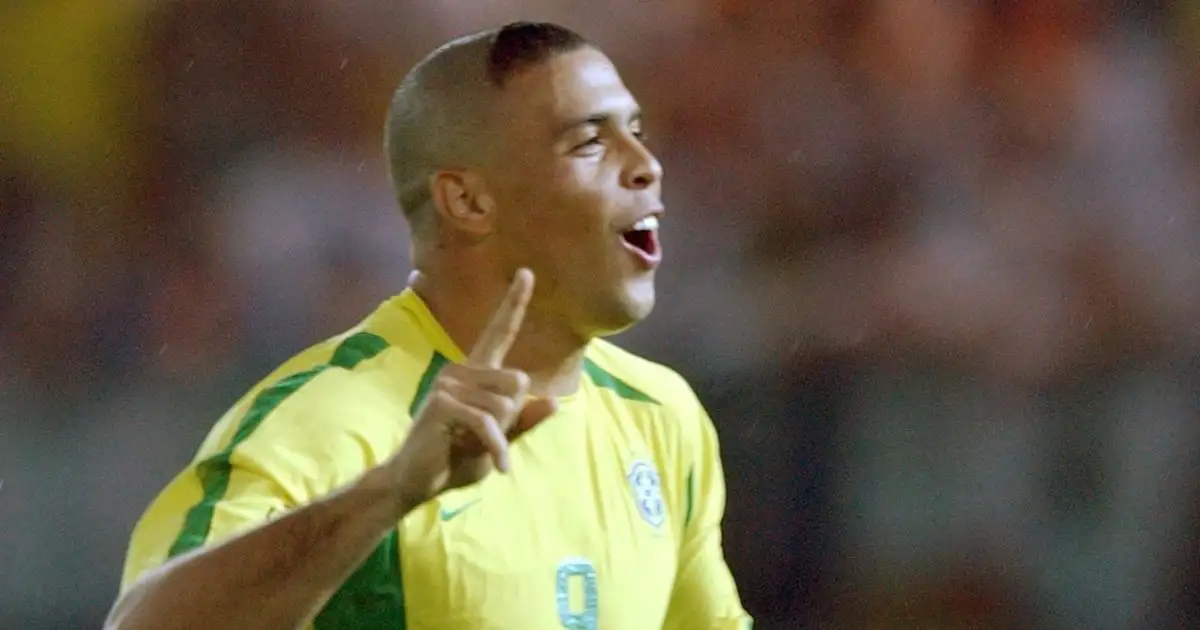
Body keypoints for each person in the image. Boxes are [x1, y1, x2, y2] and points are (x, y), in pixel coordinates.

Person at [107, 21, 752, 630]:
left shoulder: (661, 416)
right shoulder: (329, 421)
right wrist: (388, 494)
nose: (647, 163)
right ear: (467, 201)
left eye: (636, 130)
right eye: (589, 141)